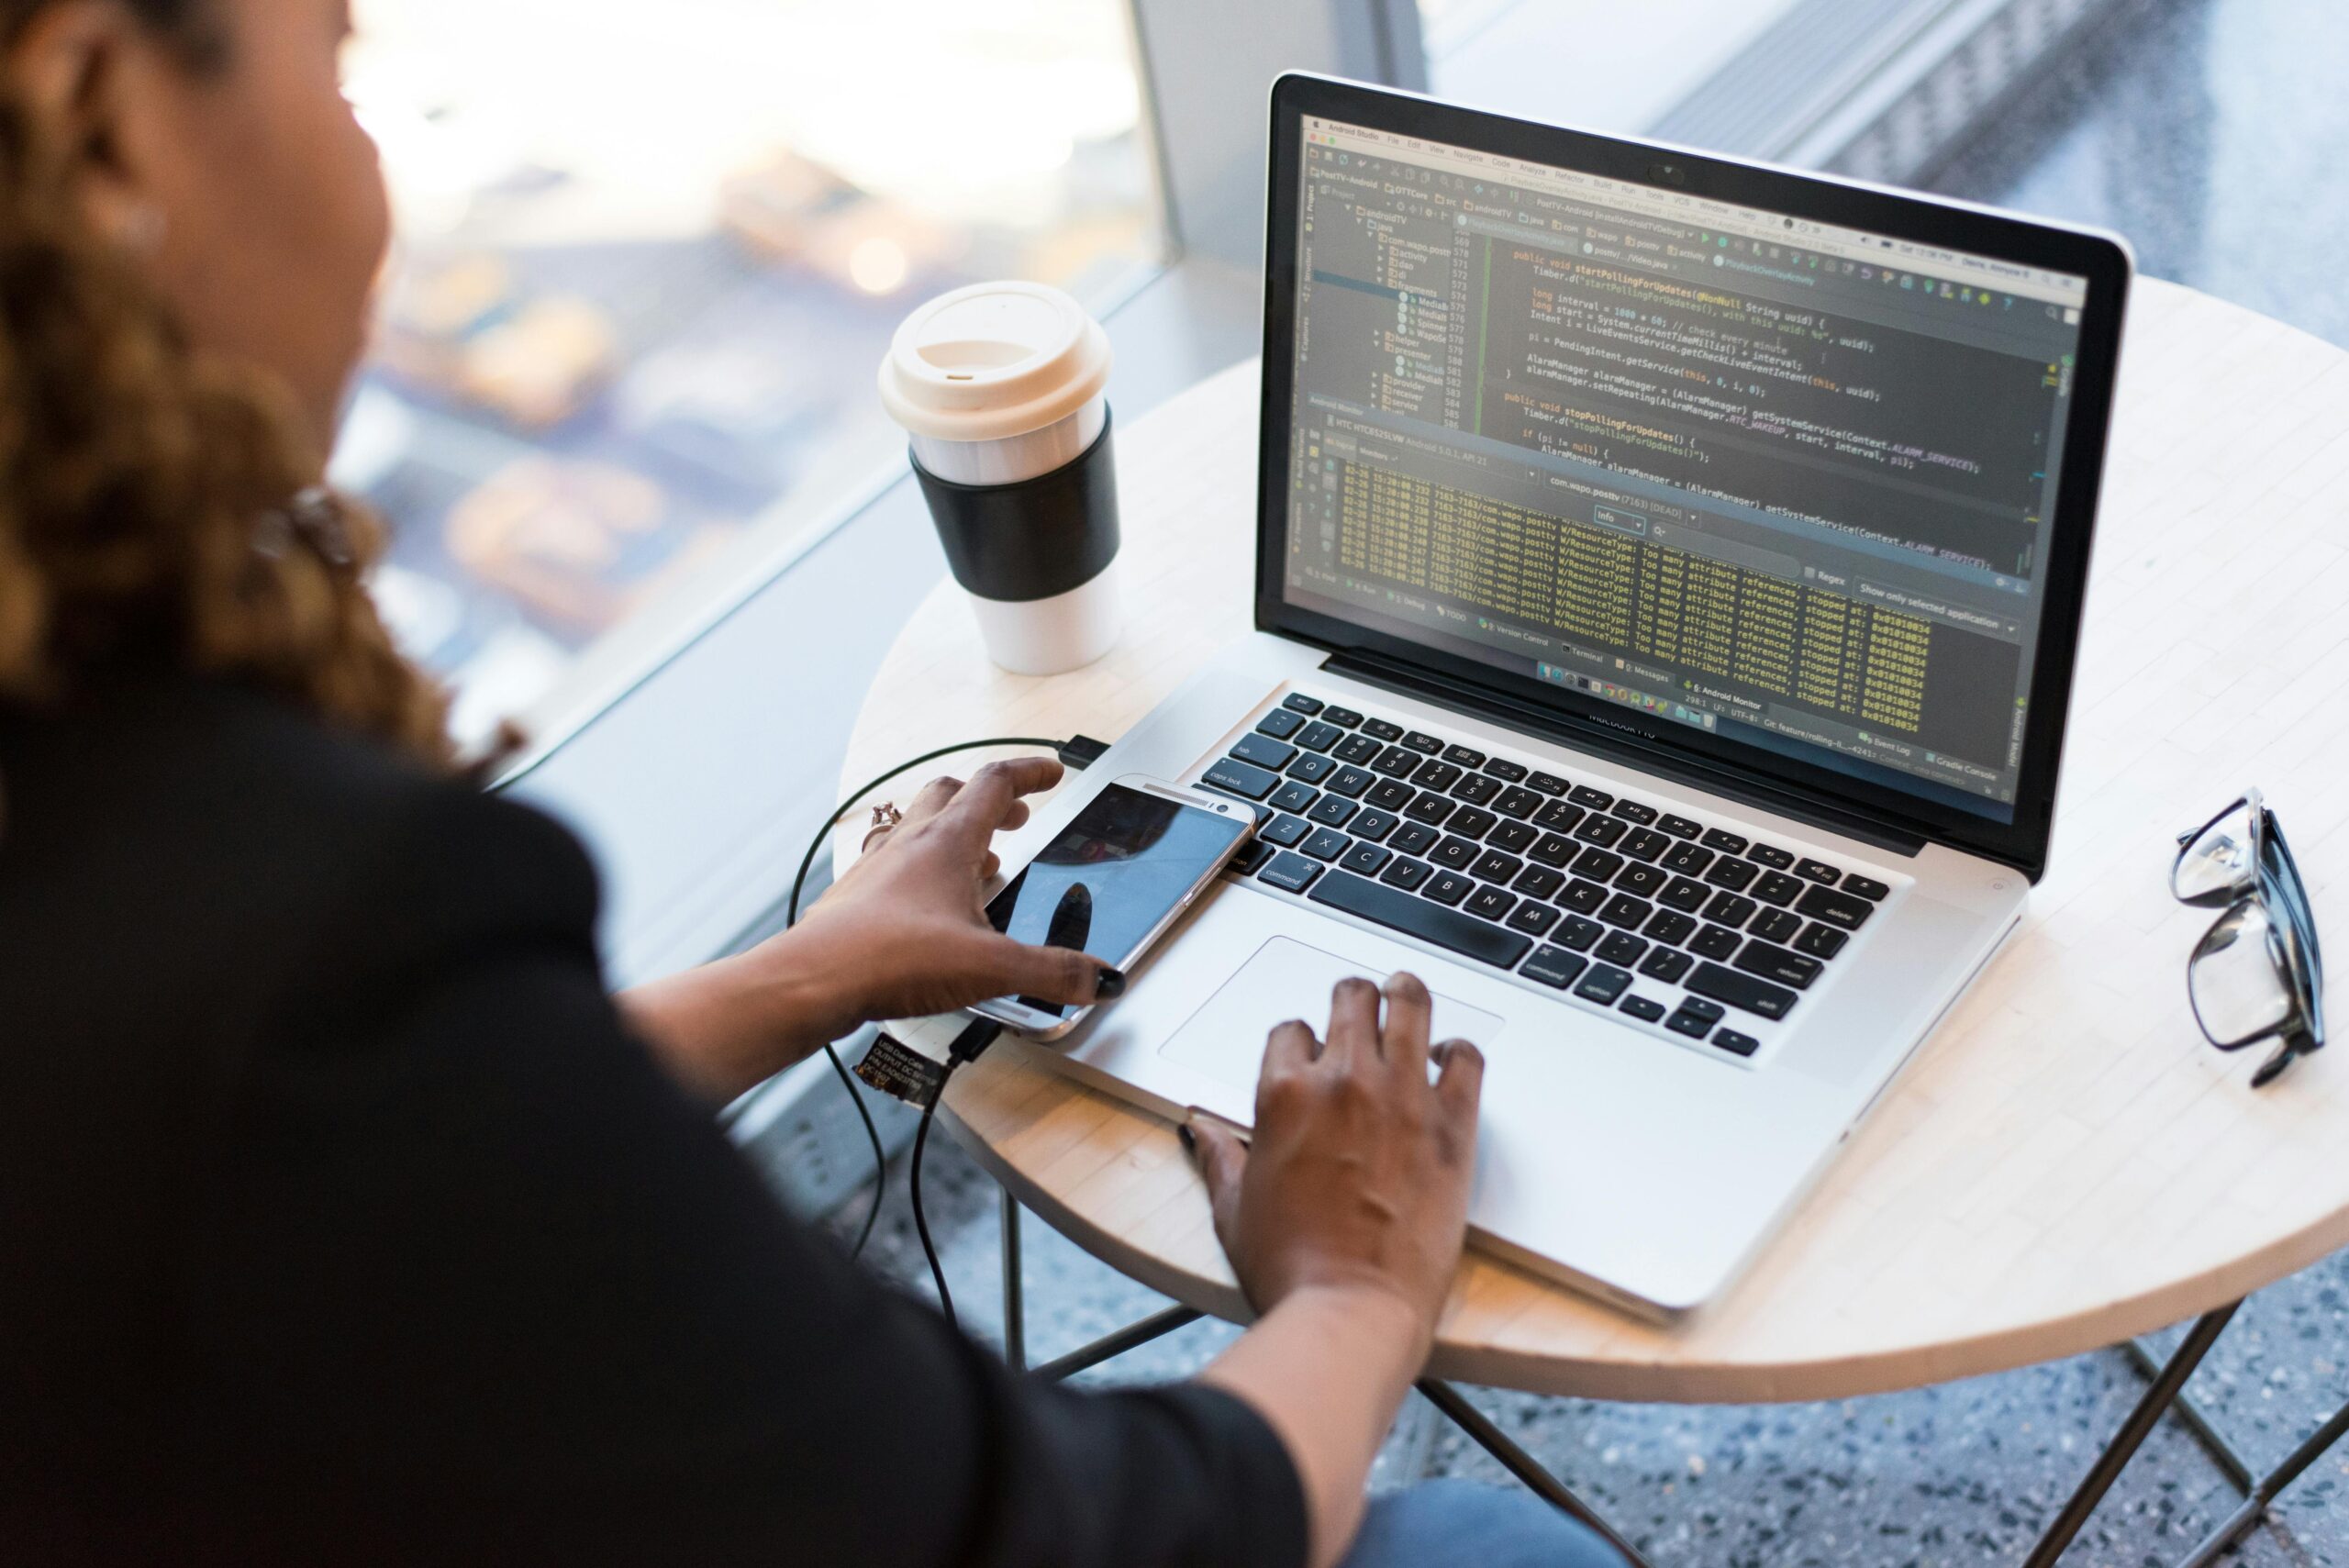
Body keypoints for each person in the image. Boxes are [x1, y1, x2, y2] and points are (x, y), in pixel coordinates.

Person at [0, 3, 1628, 1565]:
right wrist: (1349, 1288)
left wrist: (806, 972)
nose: (371, 169)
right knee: (1499, 1546)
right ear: (102, 124)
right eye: (335, 59)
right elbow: (1067, 1535)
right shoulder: (299, 917)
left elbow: (350, 1150)